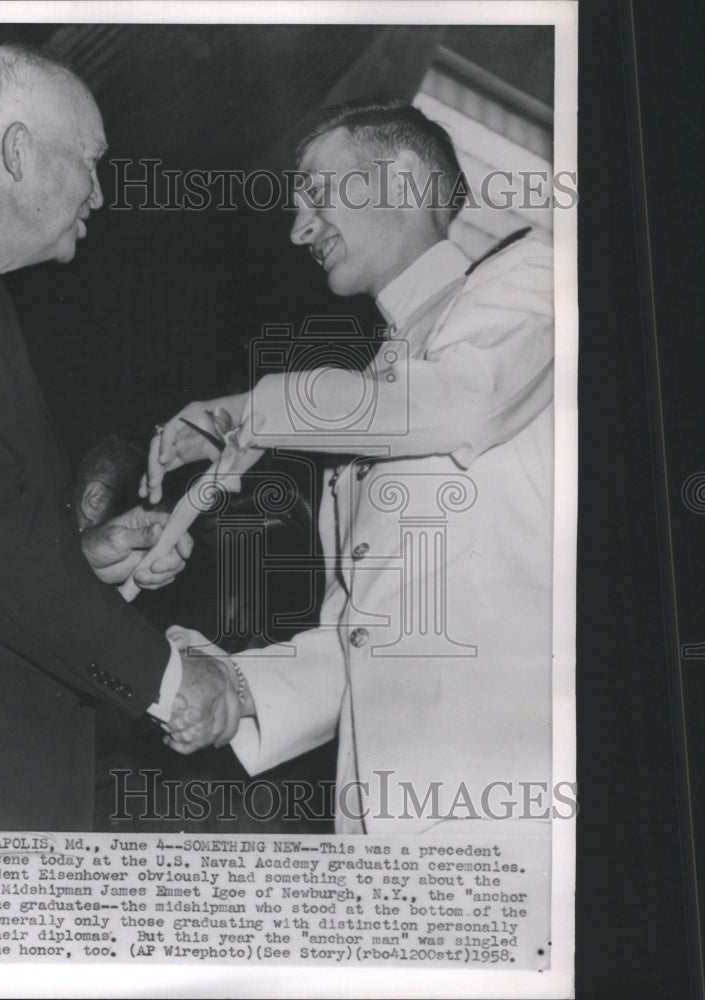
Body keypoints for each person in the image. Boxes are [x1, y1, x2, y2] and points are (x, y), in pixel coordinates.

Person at [145, 100, 555, 834]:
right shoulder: (375, 387)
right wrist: (234, 691)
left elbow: (463, 401)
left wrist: (253, 410)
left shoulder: (534, 278)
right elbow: (359, 640)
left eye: (315, 191)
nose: (299, 227)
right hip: (381, 817)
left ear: (399, 178)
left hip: (511, 804)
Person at [0, 44, 241, 831]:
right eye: (91, 160)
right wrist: (172, 681)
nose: (101, 194)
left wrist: (83, 558)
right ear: (16, 150)